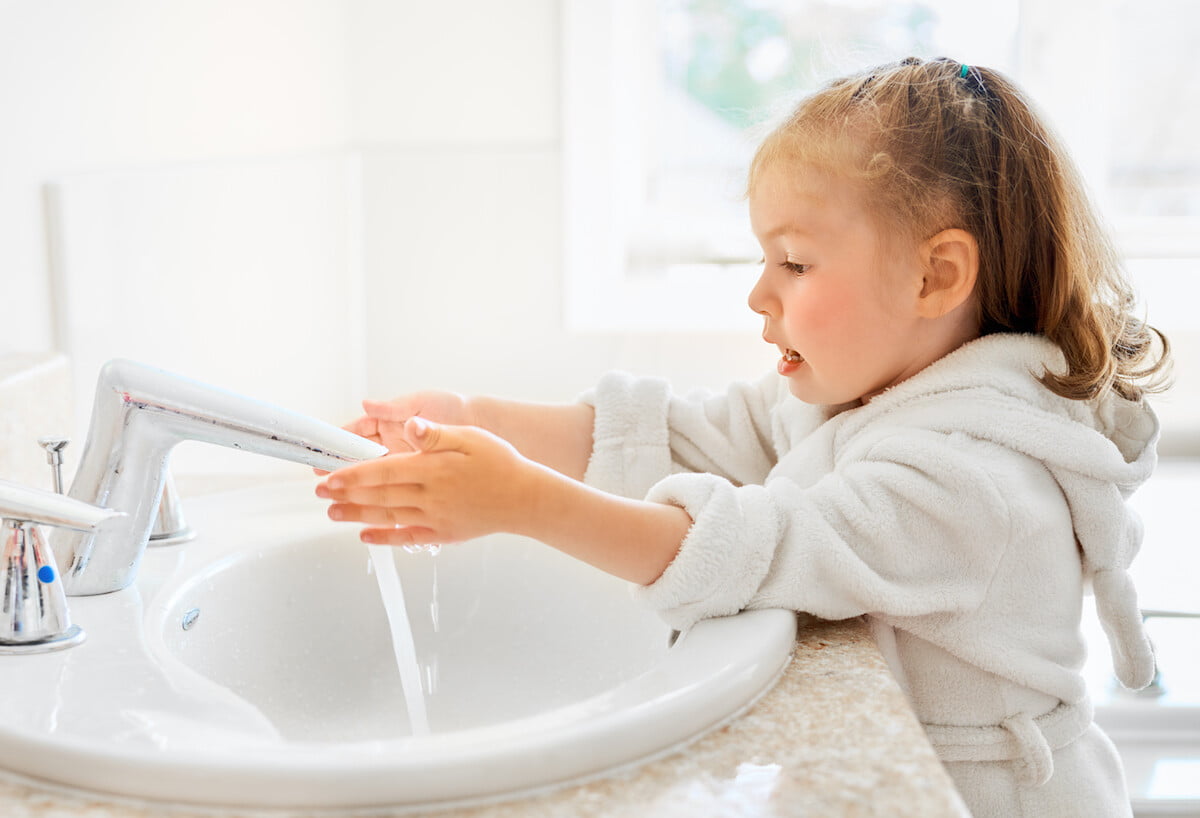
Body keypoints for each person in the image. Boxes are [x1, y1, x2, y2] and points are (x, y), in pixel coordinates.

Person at [315, 57, 1172, 816]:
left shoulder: (971, 481)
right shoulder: (868, 397)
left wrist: (524, 502)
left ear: (934, 276)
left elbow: (756, 547)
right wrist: (480, 419)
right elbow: (692, 435)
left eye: (794, 263)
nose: (760, 295)